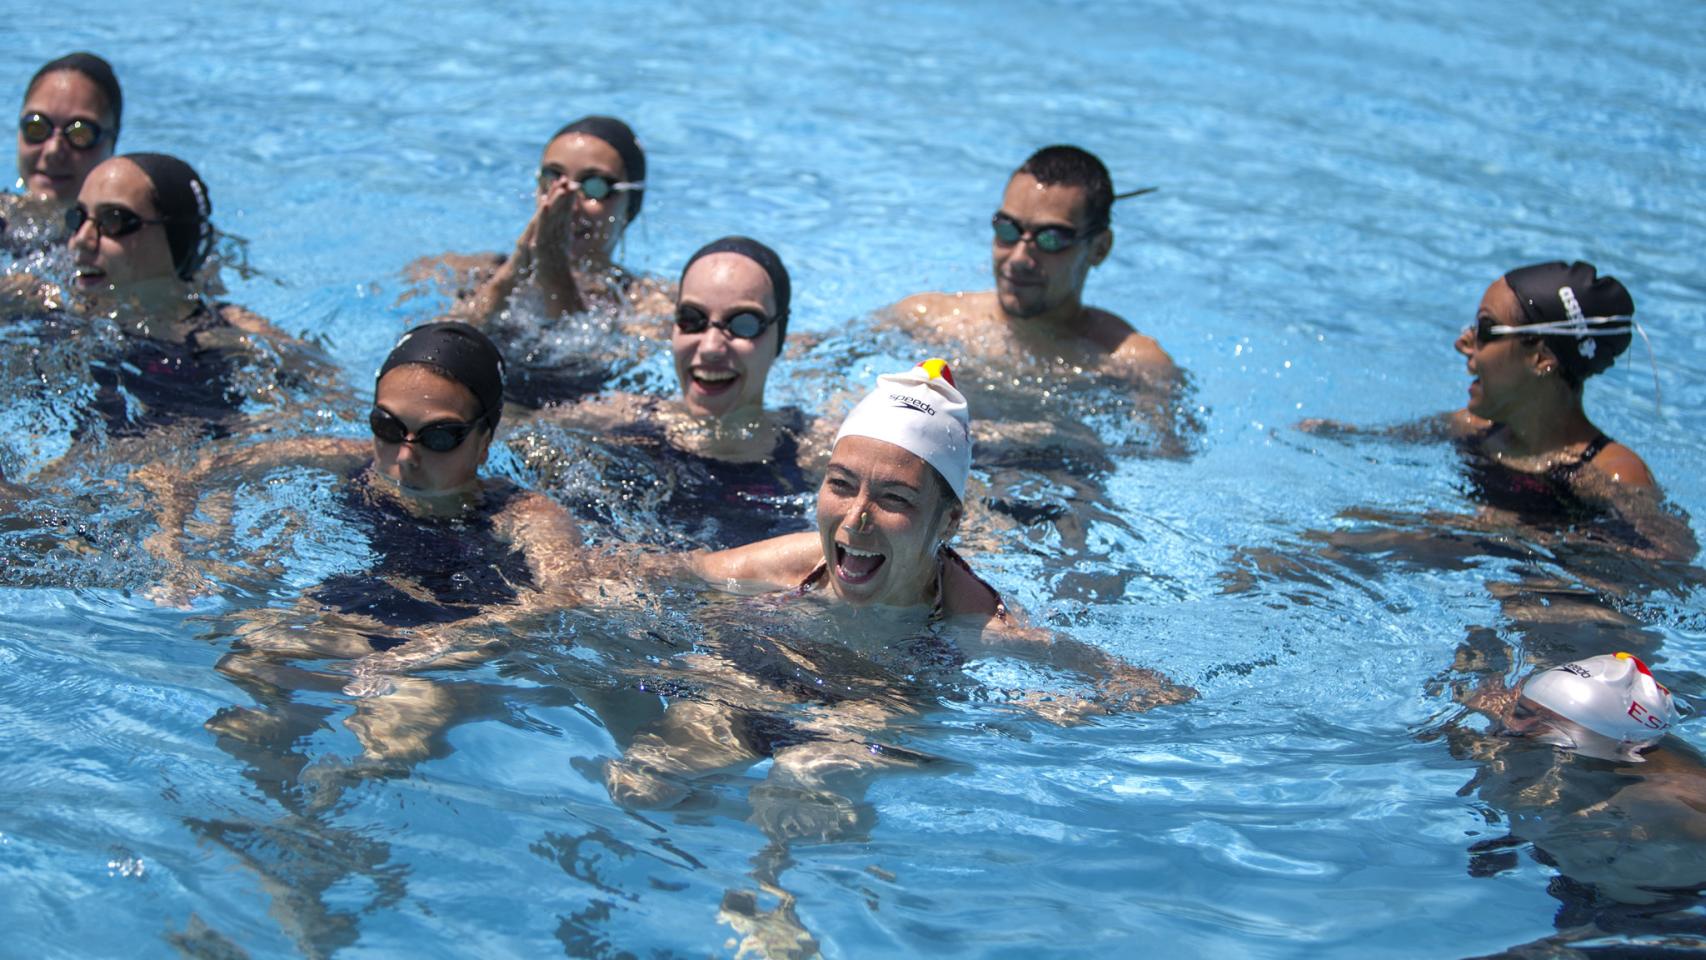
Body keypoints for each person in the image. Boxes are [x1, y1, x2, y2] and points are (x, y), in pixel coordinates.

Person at [603, 360, 1193, 840]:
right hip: (765, 681)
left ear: (950, 521)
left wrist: (1042, 712)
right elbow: (648, 572)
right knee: (641, 781)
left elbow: (1150, 690)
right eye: (840, 484)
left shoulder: (980, 624)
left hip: (882, 712)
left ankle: (780, 906)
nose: (856, 519)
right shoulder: (787, 567)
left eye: (894, 498)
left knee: (801, 779)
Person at [155, 322, 588, 763]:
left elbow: (564, 596)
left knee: (394, 732)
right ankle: (272, 803)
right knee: (249, 662)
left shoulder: (522, 513)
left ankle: (346, 812)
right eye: (387, 426)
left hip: (461, 634)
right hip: (368, 606)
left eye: (440, 436)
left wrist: (429, 651)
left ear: (484, 442)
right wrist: (180, 549)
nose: (406, 456)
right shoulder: (346, 459)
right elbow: (194, 470)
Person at [1302, 261, 1695, 560]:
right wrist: (1335, 432)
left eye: (1485, 330)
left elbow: (1670, 560)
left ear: (1541, 357)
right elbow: (1385, 439)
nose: (1463, 342)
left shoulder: (1607, 471)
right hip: (1477, 563)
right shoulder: (1472, 429)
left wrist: (1530, 537)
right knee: (1324, 545)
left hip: (1559, 604)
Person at [3, 152, 329, 444]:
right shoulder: (46, 301)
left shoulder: (230, 331)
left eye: (114, 221)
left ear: (176, 238)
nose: (80, 242)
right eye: (78, 218)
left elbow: (333, 401)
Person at [515, 236, 819, 548]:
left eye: (743, 324)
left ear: (779, 337)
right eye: (692, 320)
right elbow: (493, 431)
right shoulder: (614, 418)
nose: (711, 348)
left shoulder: (811, 448)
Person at [410, 116, 668, 406]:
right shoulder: (463, 273)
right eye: (553, 178)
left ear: (629, 206)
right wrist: (514, 271)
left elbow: (590, 366)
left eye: (595, 186)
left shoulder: (648, 303)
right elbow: (428, 353)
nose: (569, 202)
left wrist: (552, 265)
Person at [884, 145, 1175, 386]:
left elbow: (1167, 453)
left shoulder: (1135, 363)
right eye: (1007, 229)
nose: (1020, 257)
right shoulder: (926, 317)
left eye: (1050, 238)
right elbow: (839, 370)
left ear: (1099, 249)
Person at [1454, 653, 1706, 927]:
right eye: (1520, 710)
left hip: (1651, 906)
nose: (1509, 728)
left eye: (1527, 717)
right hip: (1585, 862)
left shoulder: (1672, 794)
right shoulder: (1584, 742)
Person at [3, 52, 122, 249]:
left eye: (80, 134)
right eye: (37, 127)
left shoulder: (132, 242)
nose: (53, 150)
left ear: (113, 141)